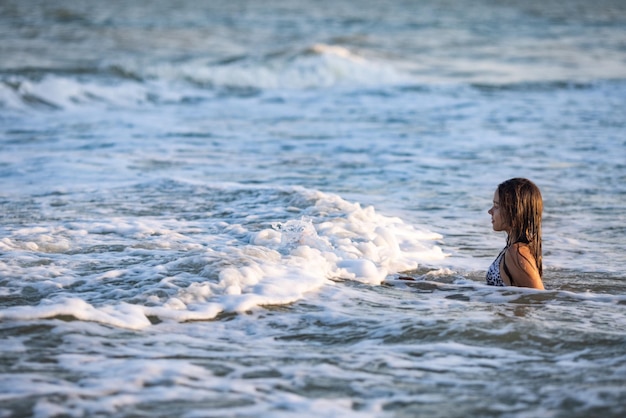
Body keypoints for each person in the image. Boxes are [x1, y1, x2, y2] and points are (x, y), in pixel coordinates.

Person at [486, 178, 545, 289]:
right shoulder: (514, 250)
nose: (490, 211)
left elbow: (539, 299)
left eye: (497, 206)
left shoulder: (516, 253)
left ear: (514, 212)